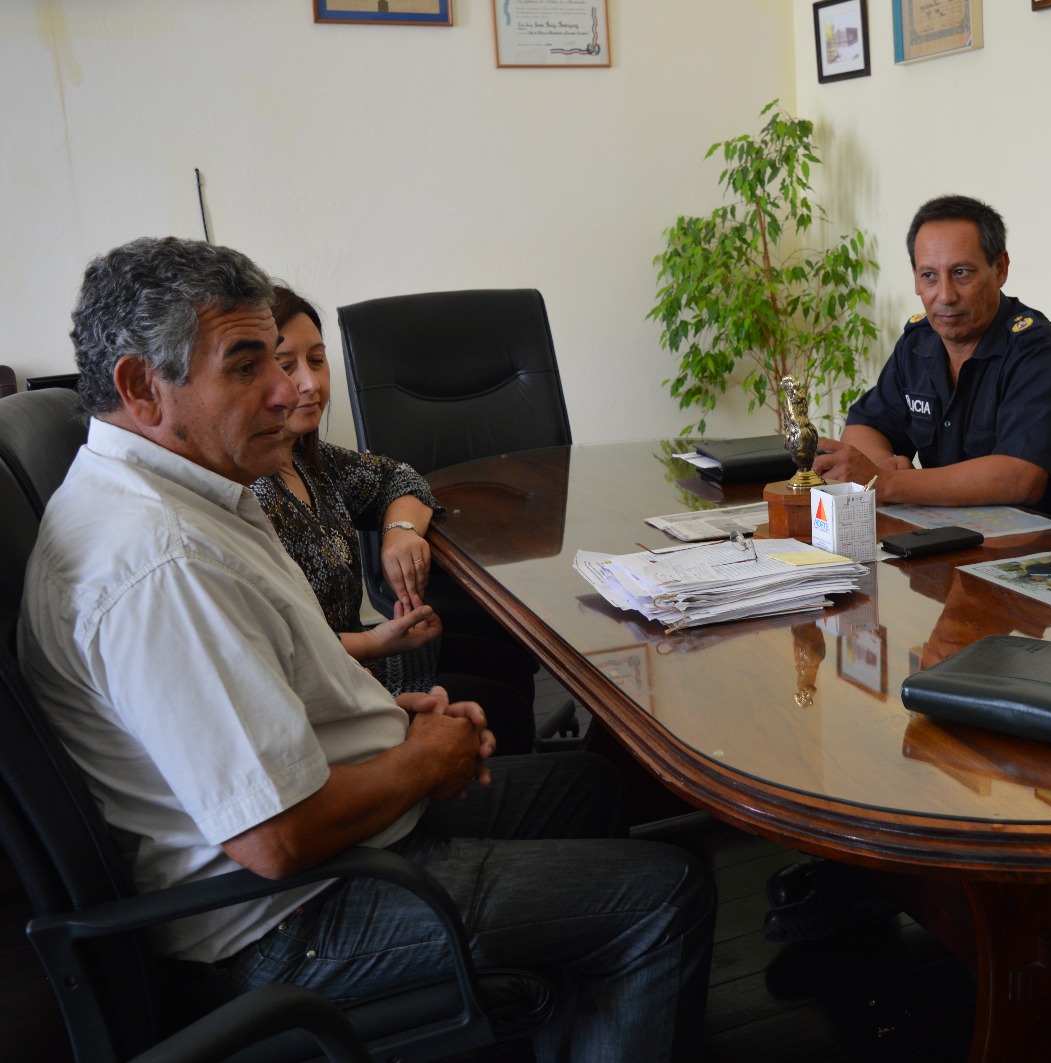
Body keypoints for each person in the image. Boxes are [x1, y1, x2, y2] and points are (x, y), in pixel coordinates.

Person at [18, 236, 714, 1062]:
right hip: (289, 921)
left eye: (283, 359)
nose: (289, 391)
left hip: (328, 847)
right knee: (662, 895)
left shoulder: (197, 495)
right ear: (141, 386)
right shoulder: (156, 562)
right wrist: (421, 760)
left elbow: (258, 691)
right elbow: (273, 838)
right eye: (248, 365)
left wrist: (384, 717)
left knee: (590, 789)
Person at [251, 284, 534, 753]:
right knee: (502, 701)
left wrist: (398, 532)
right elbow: (286, 654)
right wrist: (378, 642)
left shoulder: (306, 459)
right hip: (335, 688)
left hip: (365, 654)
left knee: (507, 660)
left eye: (317, 361)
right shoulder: (252, 492)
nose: (309, 384)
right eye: (287, 366)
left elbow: (398, 478)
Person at [814, 194, 1051, 521]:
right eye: (929, 275)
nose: (945, 296)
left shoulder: (1041, 353)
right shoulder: (919, 343)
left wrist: (889, 482)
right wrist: (879, 464)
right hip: (960, 532)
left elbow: (1020, 479)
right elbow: (867, 424)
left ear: (1000, 269)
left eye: (961, 273)